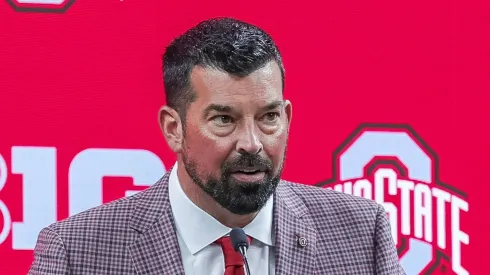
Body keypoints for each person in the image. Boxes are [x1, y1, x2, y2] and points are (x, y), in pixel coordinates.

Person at [28, 17, 405, 275]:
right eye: (224, 119)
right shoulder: (78, 253)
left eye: (269, 117)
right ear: (173, 129)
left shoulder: (361, 232)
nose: (253, 143)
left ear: (287, 117)